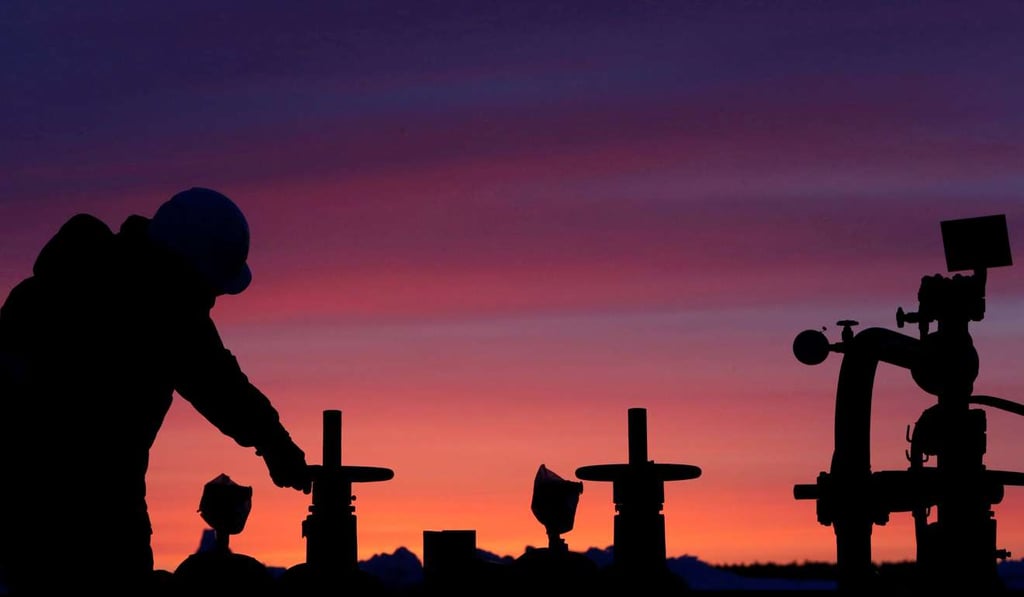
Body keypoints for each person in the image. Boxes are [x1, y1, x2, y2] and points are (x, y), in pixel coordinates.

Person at [0, 187, 313, 595]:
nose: (211, 302)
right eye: (211, 289)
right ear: (190, 270)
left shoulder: (52, 288)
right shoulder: (163, 309)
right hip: (92, 516)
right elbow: (221, 385)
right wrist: (278, 447)